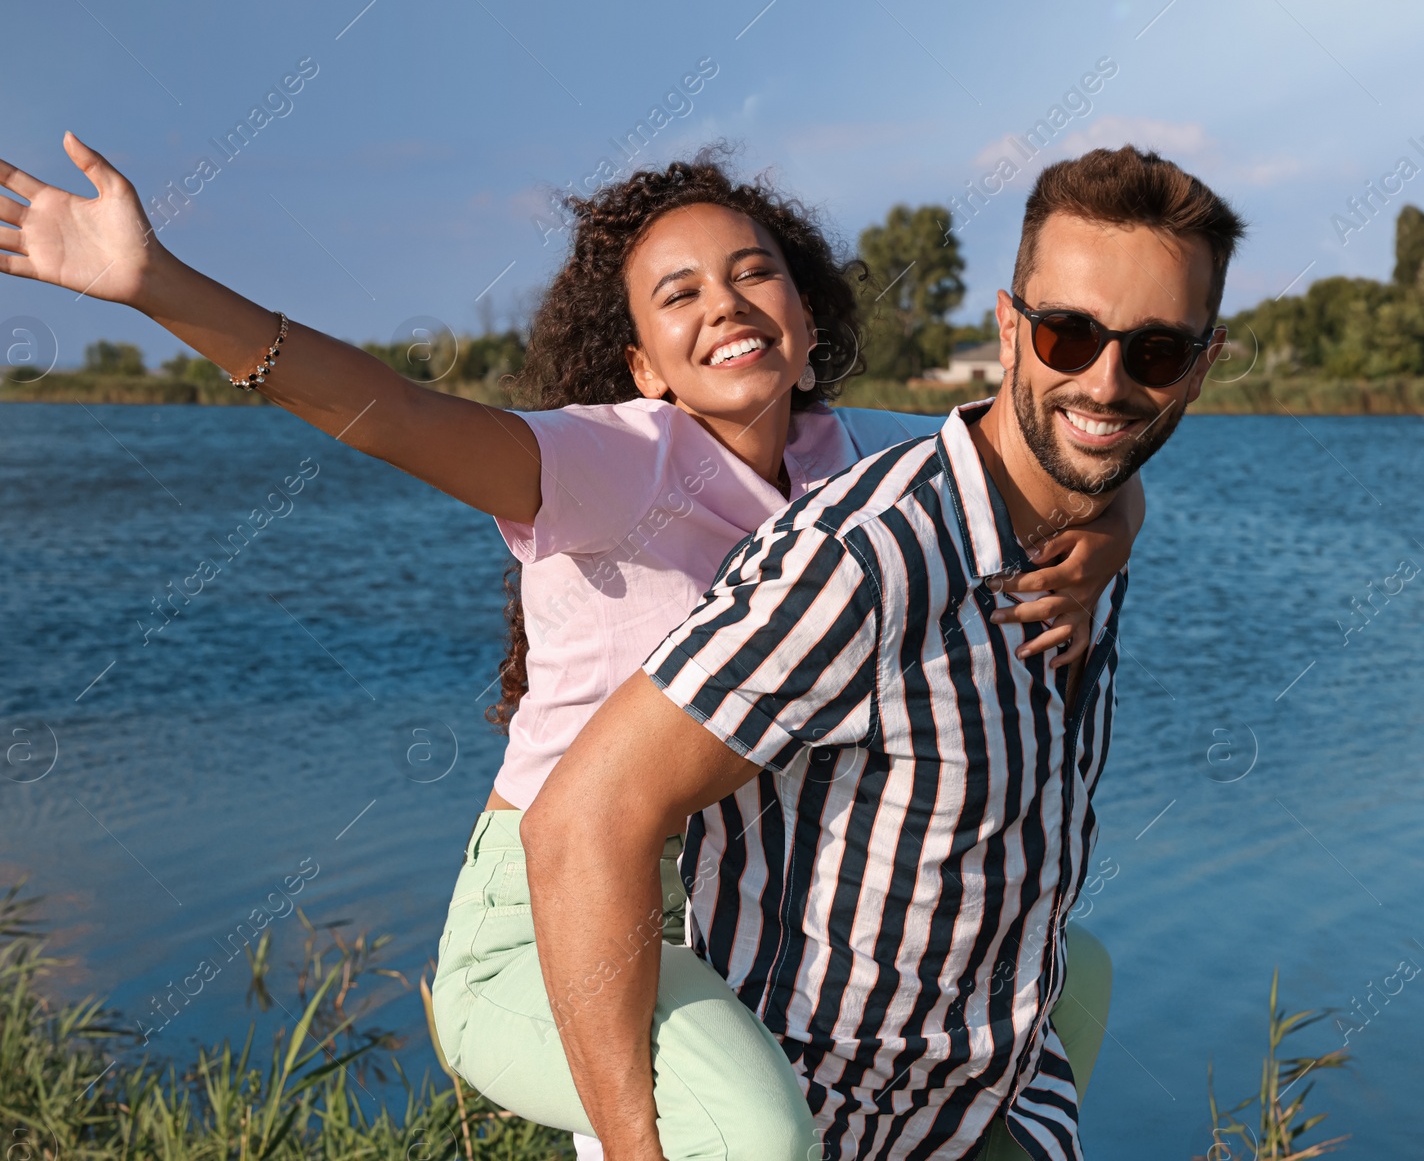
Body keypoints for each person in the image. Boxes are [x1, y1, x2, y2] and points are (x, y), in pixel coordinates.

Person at [0, 141, 1139, 1157]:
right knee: (758, 1138)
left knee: (1054, 981)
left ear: (806, 314)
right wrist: (158, 286)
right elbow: (391, 412)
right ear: (641, 366)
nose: (721, 303)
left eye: (750, 271)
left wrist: (1105, 535)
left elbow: (1069, 442)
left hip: (747, 910)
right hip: (546, 918)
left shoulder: (856, 458)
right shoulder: (614, 461)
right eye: (677, 295)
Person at [520, 145, 1246, 1161]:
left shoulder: (1087, 542)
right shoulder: (866, 555)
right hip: (800, 1130)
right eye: (1067, 335)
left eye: (1156, 353)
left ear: (1202, 365)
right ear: (1009, 329)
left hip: (973, 1110)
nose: (1106, 382)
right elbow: (581, 822)